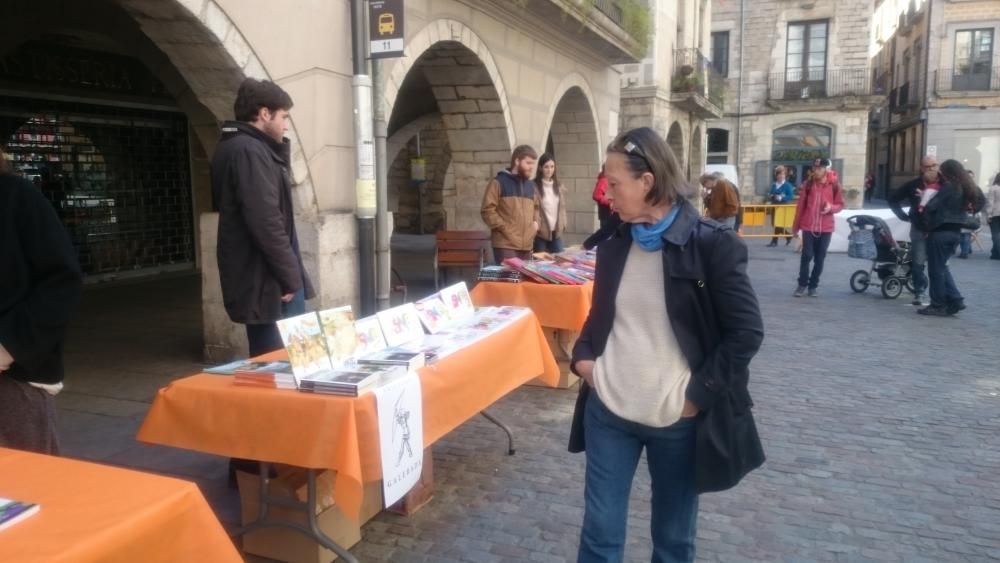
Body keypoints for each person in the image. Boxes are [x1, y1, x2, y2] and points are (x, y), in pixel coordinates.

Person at [568, 127, 765, 562]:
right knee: (599, 536)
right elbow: (601, 316)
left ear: (647, 181)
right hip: (609, 412)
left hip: (676, 419)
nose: (607, 193)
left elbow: (746, 332)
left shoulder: (713, 246)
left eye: (614, 183)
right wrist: (584, 360)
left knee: (673, 541)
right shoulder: (615, 243)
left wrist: (696, 397)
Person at [211, 78, 314, 358]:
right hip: (268, 279)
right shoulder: (249, 150)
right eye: (283, 117)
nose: (286, 125)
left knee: (274, 359)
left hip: (264, 275)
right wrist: (290, 277)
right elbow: (265, 220)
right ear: (264, 114)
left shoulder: (245, 147)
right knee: (280, 361)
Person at [0, 148, 83, 454]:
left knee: (29, 492)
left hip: (11, 382)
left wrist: (8, 345)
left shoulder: (16, 197)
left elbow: (61, 281)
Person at [917, 159, 985, 316]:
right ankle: (955, 299)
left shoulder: (950, 187)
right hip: (955, 232)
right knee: (942, 267)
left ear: (947, 172)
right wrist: (969, 211)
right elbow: (981, 200)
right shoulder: (968, 186)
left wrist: (927, 223)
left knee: (936, 270)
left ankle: (938, 304)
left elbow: (931, 206)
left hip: (940, 231)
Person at [888, 155, 939, 305]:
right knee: (918, 261)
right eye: (927, 166)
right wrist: (904, 216)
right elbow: (893, 199)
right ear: (922, 168)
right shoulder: (914, 185)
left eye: (934, 165)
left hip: (939, 229)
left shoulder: (945, 184)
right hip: (919, 228)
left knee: (940, 264)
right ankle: (919, 292)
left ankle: (940, 295)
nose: (931, 169)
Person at [791, 157, 844, 297]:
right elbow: (800, 207)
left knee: (820, 258)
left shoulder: (835, 185)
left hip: (825, 228)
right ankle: (802, 284)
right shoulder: (808, 184)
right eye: (815, 168)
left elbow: (840, 205)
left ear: (826, 169)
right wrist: (795, 227)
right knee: (806, 255)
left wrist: (831, 208)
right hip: (808, 226)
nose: (817, 171)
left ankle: (813, 286)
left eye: (820, 168)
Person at [481, 145, 539, 263]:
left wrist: (536, 223)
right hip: (505, 244)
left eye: (533, 164)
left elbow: (537, 208)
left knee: (524, 281)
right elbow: (487, 210)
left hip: (527, 245)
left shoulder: (531, 185)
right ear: (517, 161)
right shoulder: (498, 182)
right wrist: (504, 228)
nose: (531, 167)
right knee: (510, 280)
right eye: (528, 163)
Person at [533, 153, 568, 254]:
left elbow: (562, 208)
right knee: (539, 264)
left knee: (559, 260)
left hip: (556, 232)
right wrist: (537, 225)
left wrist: (564, 223)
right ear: (540, 168)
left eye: (552, 167)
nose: (549, 170)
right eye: (546, 167)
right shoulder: (534, 186)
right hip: (540, 233)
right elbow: (534, 209)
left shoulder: (559, 186)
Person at [767, 165, 796, 247]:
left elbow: (791, 196)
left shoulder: (787, 185)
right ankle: (788, 236)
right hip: (774, 206)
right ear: (776, 175)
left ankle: (774, 241)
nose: (781, 176)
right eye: (779, 174)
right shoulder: (774, 184)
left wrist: (782, 198)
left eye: (783, 174)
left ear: (785, 175)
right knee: (775, 224)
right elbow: (771, 193)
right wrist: (770, 195)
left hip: (782, 207)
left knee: (778, 224)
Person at [957, 169, 977, 259]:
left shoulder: (975, 188)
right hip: (961, 211)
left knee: (965, 233)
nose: (970, 178)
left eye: (971, 177)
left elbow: (980, 200)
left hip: (969, 212)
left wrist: (974, 208)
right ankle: (967, 248)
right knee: (964, 233)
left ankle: (964, 252)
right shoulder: (960, 186)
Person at [986, 173, 1000, 260]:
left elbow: (990, 202)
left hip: (996, 214)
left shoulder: (993, 188)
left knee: (995, 234)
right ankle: (995, 253)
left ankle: (997, 252)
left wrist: (989, 215)